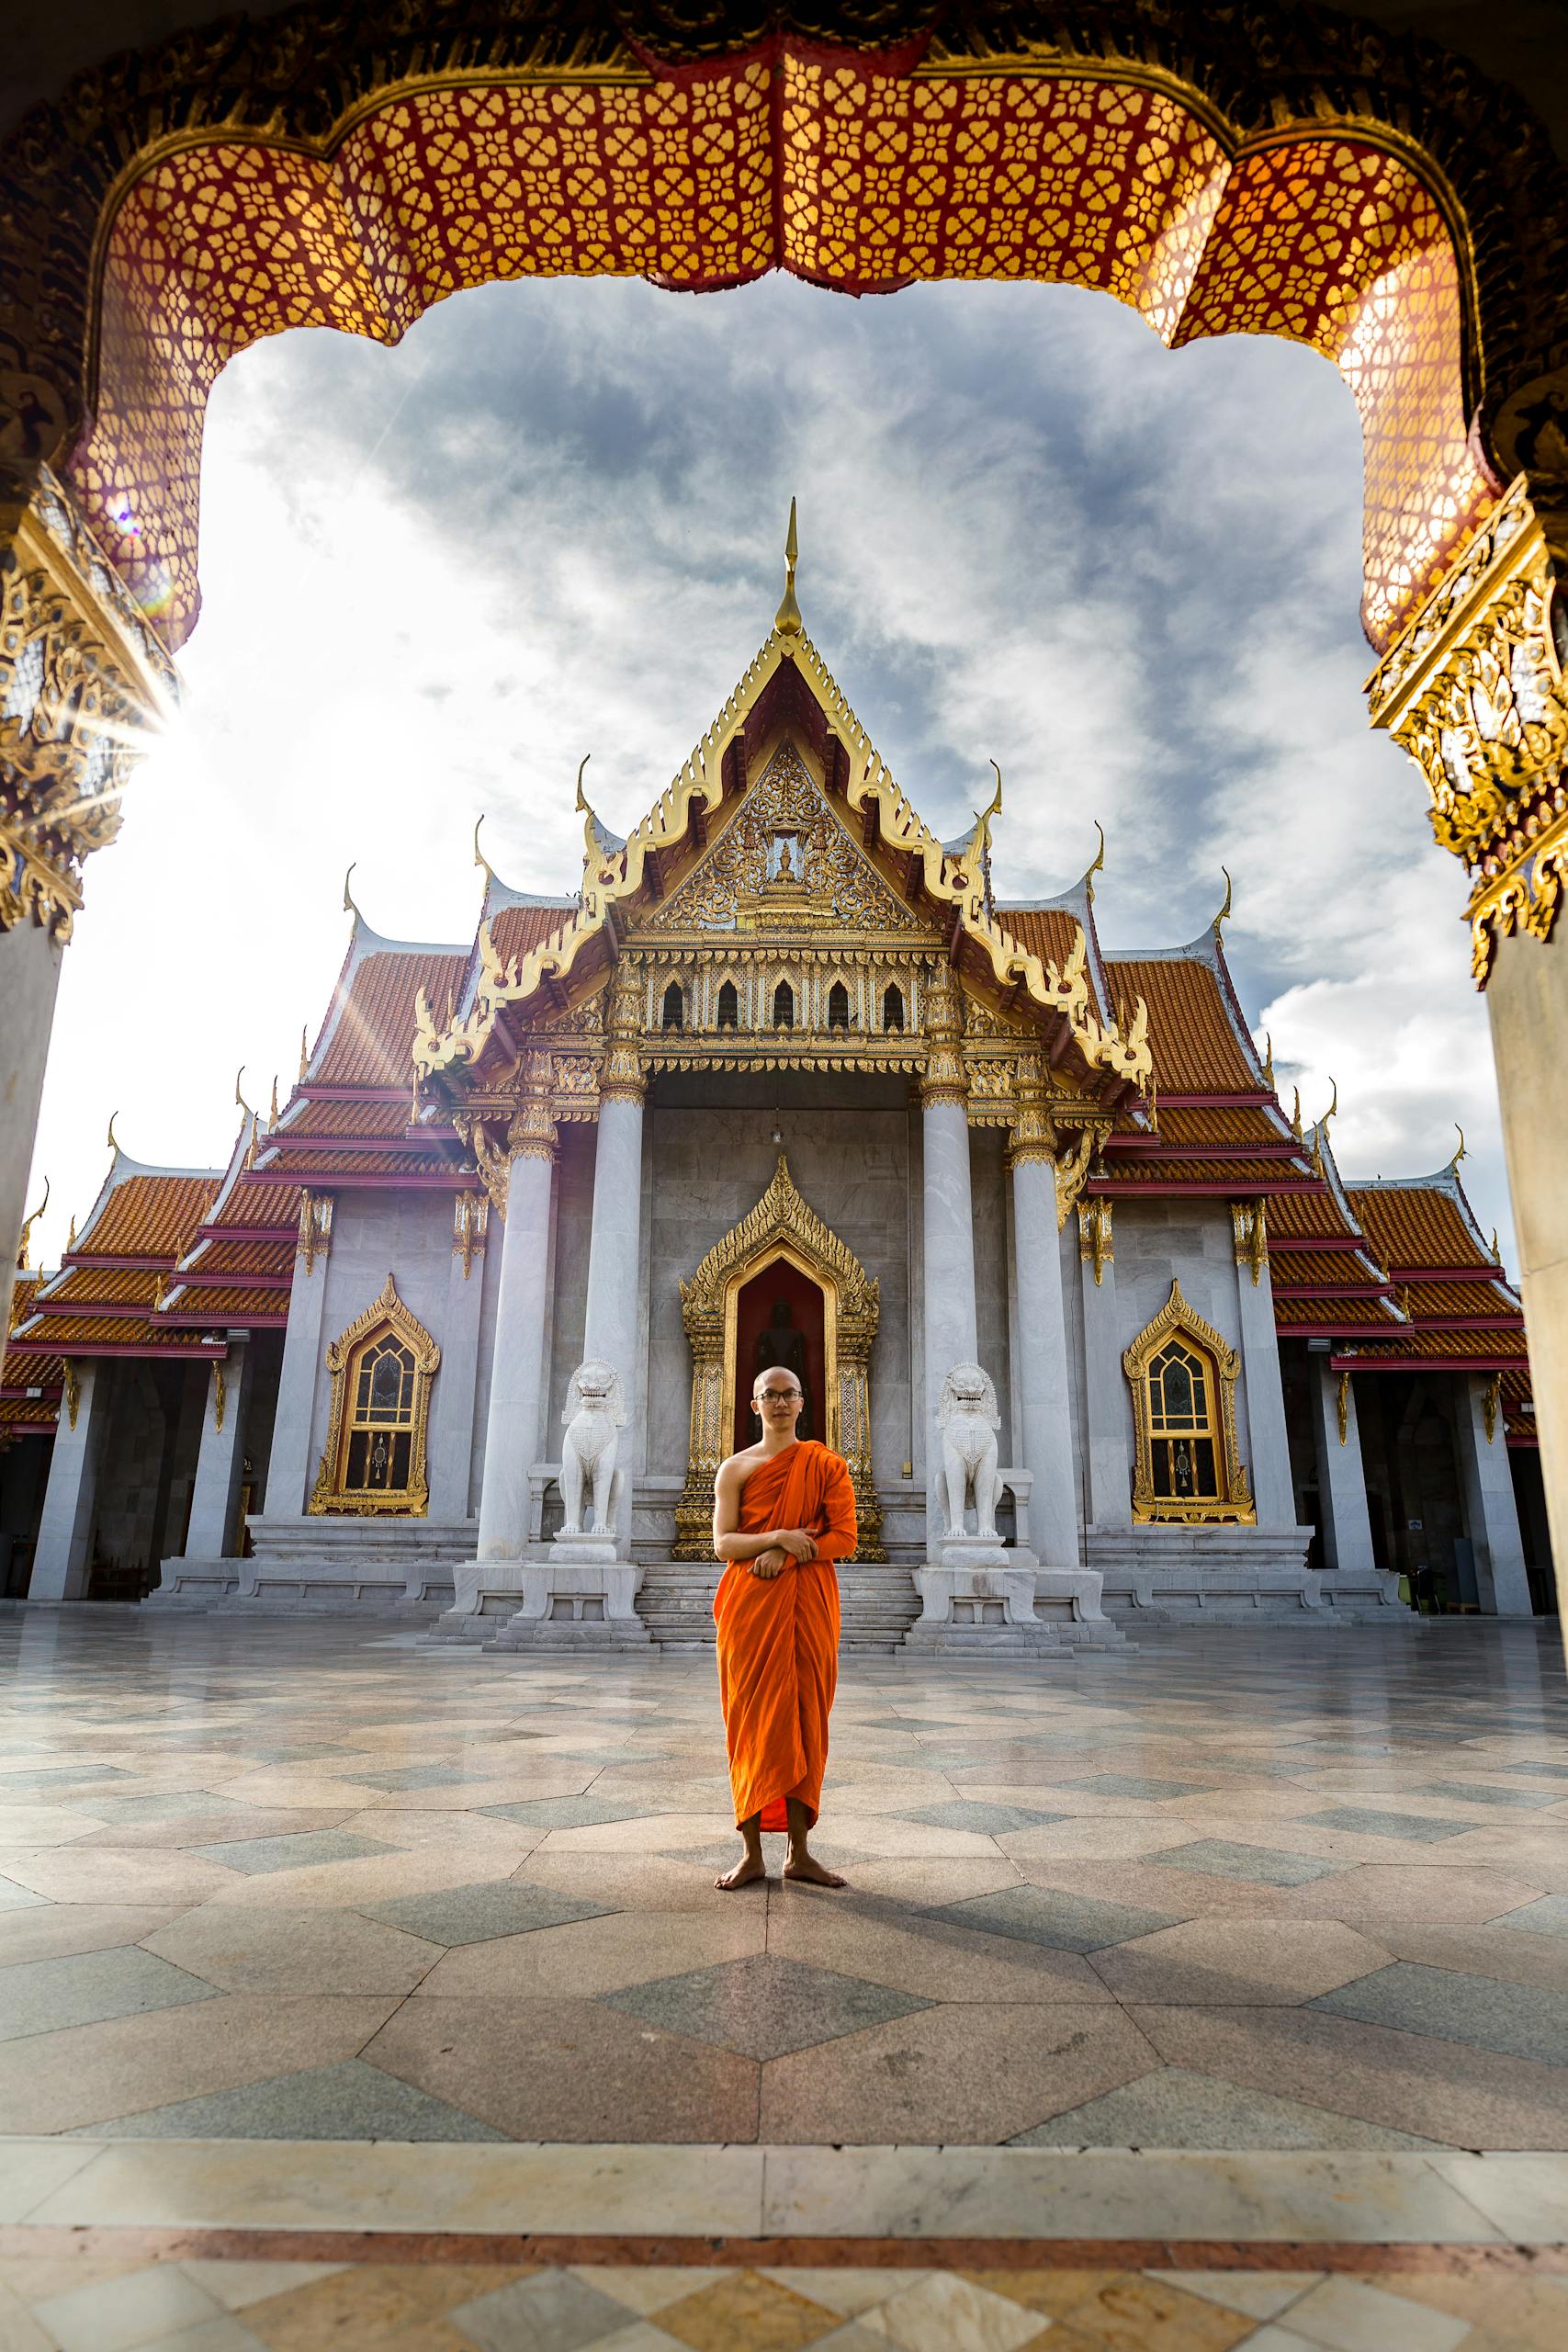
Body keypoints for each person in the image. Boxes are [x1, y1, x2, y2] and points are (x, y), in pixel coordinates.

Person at [710, 1364, 856, 1889]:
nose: (778, 1403)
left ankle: (800, 1853)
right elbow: (724, 1543)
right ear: (754, 1405)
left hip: (809, 1602)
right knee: (750, 1722)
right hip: (750, 1608)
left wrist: (791, 1555)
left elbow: (845, 1537)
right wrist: (780, 1536)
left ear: (802, 1403)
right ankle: (751, 1853)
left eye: (787, 1394)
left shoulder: (826, 1465)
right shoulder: (736, 1469)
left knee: (805, 1719)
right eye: (768, 1395)